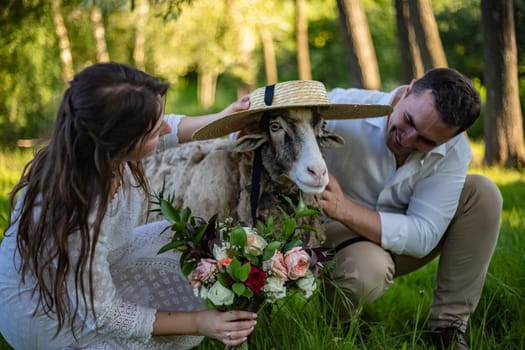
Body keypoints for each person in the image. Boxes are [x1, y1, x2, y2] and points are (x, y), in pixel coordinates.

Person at [0, 62, 257, 350]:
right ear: (118, 142)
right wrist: (199, 322)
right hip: (47, 320)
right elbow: (103, 313)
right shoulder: (77, 213)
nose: (165, 128)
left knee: (177, 238)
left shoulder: (91, 149)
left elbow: (167, 128)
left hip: (87, 272)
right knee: (154, 332)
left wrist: (222, 119)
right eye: (152, 131)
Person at [318, 67, 502, 350]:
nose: (407, 140)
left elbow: (423, 235)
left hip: (389, 239)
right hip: (328, 237)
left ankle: (447, 329)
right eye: (408, 121)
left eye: (426, 141)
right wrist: (226, 116)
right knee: (366, 272)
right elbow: (264, 123)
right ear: (408, 89)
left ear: (452, 136)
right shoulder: (343, 108)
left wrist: (345, 208)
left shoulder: (455, 151)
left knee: (483, 194)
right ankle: (335, 328)